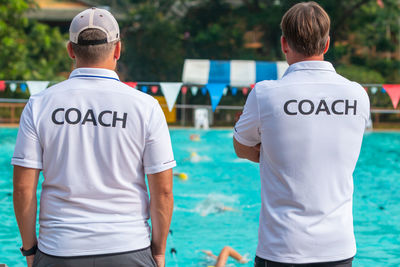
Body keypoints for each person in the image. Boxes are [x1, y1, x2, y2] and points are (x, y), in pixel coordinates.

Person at [12, 7, 175, 267]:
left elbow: (22, 190)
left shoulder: (40, 104)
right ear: (118, 49)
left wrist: (30, 251)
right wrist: (158, 252)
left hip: (59, 249)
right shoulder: (146, 106)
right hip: (129, 246)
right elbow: (163, 192)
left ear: (70, 51)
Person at [233, 2, 369, 267]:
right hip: (338, 248)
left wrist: (273, 156)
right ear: (327, 43)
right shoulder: (357, 95)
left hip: (282, 247)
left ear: (284, 43)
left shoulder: (265, 94)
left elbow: (241, 147)